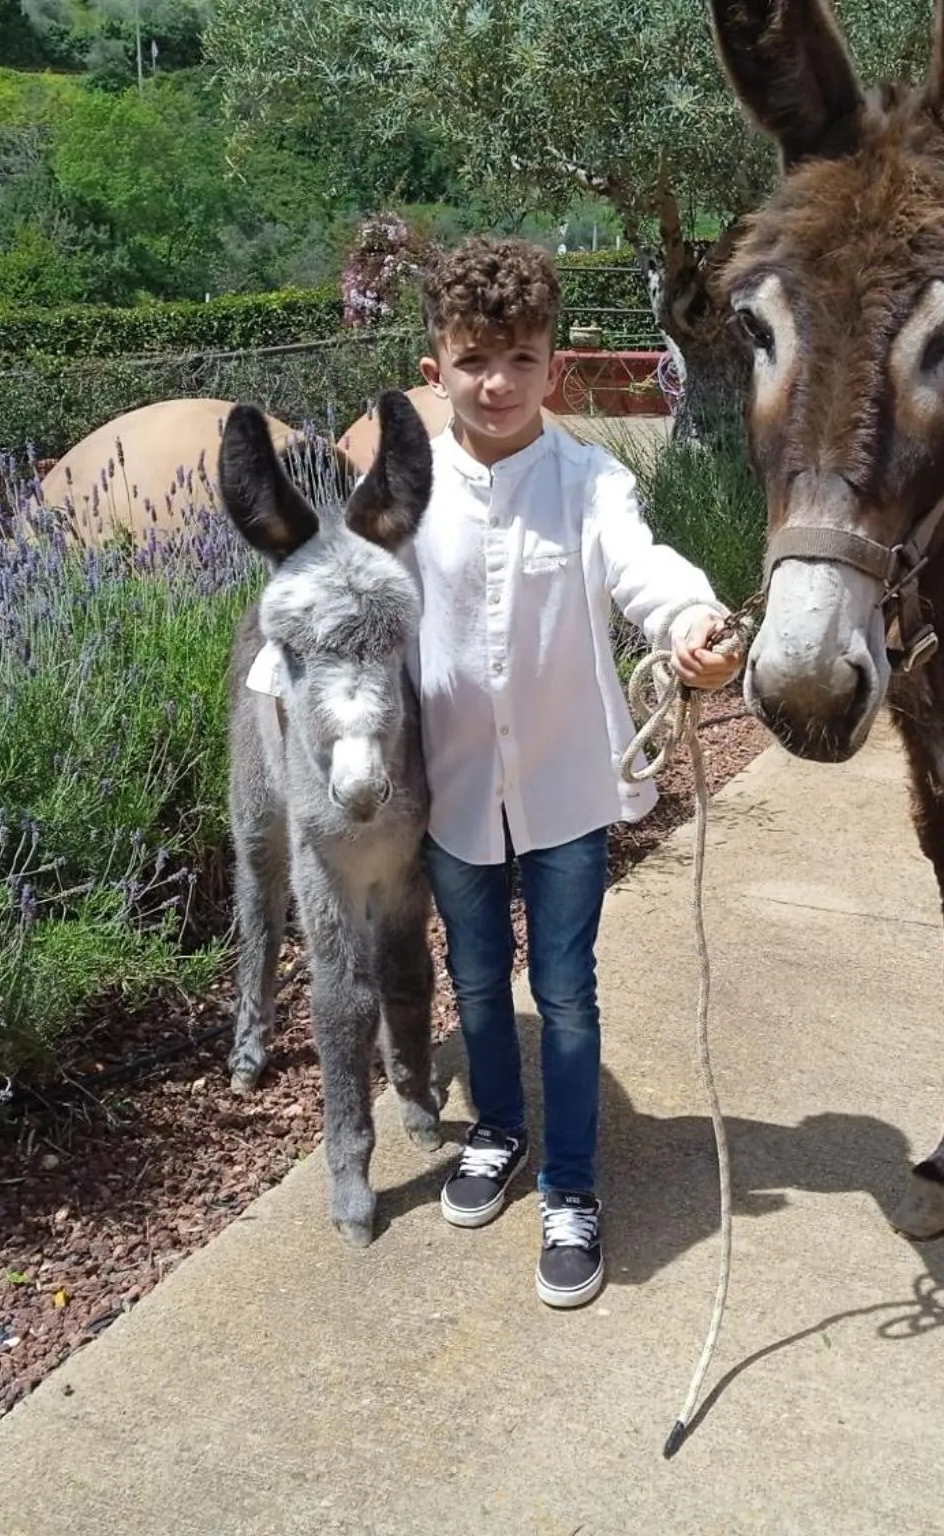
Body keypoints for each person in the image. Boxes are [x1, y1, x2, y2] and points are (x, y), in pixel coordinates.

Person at [406, 236, 742, 1309]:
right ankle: (497, 1129)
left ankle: (570, 1185)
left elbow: (643, 567)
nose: (495, 383)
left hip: (563, 792)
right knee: (473, 981)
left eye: (518, 359)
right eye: (471, 361)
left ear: (555, 370)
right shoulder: (403, 489)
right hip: (450, 789)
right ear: (436, 370)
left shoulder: (589, 482)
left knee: (564, 987)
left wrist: (692, 620)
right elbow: (350, 592)